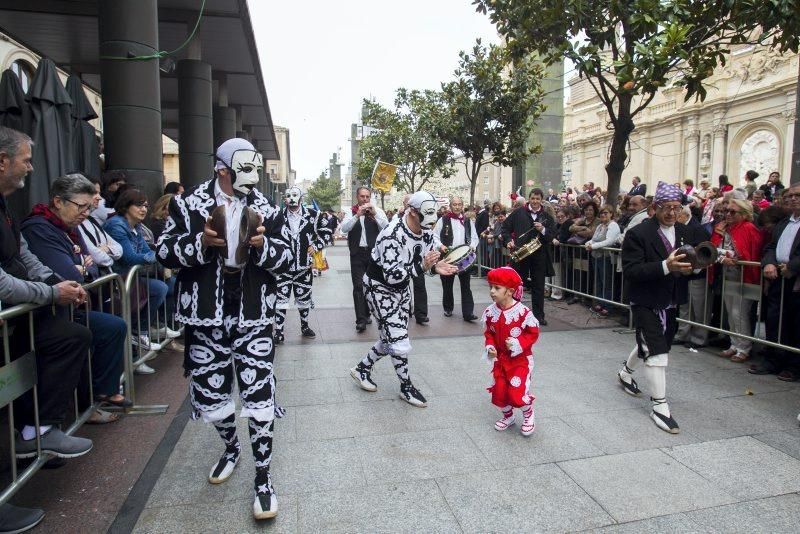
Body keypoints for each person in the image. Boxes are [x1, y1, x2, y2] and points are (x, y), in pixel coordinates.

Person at [156, 137, 290, 519]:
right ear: (222, 169)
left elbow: (289, 260)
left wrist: (265, 247)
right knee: (213, 399)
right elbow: (163, 252)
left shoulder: (267, 208)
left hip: (254, 317)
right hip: (205, 318)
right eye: (244, 170)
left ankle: (263, 478)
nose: (253, 178)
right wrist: (199, 243)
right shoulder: (188, 204)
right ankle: (231, 447)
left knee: (259, 396)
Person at [0, 126, 93, 534]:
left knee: (71, 336)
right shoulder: (32, 217)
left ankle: (38, 428)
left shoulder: (4, 207)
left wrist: (51, 286)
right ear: (2, 160)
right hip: (14, 311)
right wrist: (50, 291)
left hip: (21, 313)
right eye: (25, 159)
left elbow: (22, 257)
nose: (30, 167)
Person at [20, 173, 130, 421]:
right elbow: (70, 272)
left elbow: (90, 269)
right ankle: (45, 424)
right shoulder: (39, 227)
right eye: (81, 206)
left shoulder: (68, 228)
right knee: (81, 336)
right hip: (45, 313)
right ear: (58, 201)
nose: (85, 213)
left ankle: (97, 394)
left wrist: (80, 266)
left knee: (112, 327)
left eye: (89, 207)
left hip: (66, 308)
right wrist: (80, 266)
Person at [349, 191, 457, 407]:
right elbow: (391, 274)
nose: (432, 218)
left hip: (400, 289)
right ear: (413, 212)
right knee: (398, 338)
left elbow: (425, 259)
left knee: (392, 336)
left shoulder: (426, 231)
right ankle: (406, 386)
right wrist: (424, 266)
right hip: (379, 288)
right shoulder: (392, 233)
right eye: (428, 213)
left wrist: (435, 266)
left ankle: (362, 368)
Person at [617, 181, 695, 434]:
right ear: (655, 207)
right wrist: (665, 266)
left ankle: (626, 372)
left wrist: (707, 261)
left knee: (652, 345)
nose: (672, 213)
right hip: (644, 299)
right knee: (657, 353)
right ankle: (659, 405)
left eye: (676, 207)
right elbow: (631, 270)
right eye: (666, 207)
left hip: (671, 300)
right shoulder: (638, 233)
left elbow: (695, 262)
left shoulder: (685, 231)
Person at [104, 188, 169, 369]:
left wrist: (151, 255)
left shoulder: (136, 226)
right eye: (139, 205)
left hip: (131, 280)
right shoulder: (117, 225)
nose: (143, 209)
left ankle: (139, 332)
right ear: (126, 206)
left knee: (160, 288)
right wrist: (159, 255)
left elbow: (144, 253)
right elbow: (130, 257)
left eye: (146, 206)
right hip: (117, 283)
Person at [750, 182, 800, 381]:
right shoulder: (784, 223)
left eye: (798, 195)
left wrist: (793, 267)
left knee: (795, 323)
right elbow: (770, 247)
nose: (793, 199)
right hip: (777, 277)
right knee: (774, 319)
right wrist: (769, 264)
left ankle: (794, 365)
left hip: (796, 279)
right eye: (791, 196)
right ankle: (773, 359)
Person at [482, 266, 540, 435]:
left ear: (510, 291)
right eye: (491, 287)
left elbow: (533, 333)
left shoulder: (523, 312)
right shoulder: (490, 311)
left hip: (520, 361)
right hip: (500, 361)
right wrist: (490, 346)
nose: (492, 291)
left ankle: (528, 413)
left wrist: (517, 344)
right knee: (499, 391)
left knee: (516, 393)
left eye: (497, 288)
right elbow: (489, 333)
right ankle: (508, 416)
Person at [274, 186, 332, 343]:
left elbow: (327, 231)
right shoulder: (278, 216)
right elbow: (270, 235)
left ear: (300, 198)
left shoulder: (314, 215)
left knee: (304, 296)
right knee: (280, 298)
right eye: (288, 196)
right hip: (282, 267)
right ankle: (278, 331)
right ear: (284, 199)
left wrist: (317, 245)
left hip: (304, 266)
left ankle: (305, 326)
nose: (291, 198)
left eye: (294, 195)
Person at [708, 199, 764, 362]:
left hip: (744, 277)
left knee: (739, 313)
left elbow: (751, 253)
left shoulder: (748, 228)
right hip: (728, 276)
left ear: (744, 214)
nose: (728, 214)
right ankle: (734, 344)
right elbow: (715, 248)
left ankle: (744, 347)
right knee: (730, 312)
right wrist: (722, 257)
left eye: (733, 212)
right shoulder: (725, 228)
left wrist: (733, 257)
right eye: (727, 211)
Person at [502, 189, 555, 325]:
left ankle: (538, 316)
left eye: (538, 199)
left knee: (539, 286)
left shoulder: (547, 216)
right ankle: (514, 314)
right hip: (521, 254)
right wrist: (508, 240)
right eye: (533, 198)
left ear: (541, 199)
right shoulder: (518, 213)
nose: (535, 201)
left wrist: (542, 229)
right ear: (529, 199)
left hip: (540, 255)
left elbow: (551, 235)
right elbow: (505, 228)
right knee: (518, 285)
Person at [340, 187, 388, 332]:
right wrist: (356, 216)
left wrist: (375, 215)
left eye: (367, 196)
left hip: (373, 254)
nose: (365, 199)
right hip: (357, 254)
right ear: (357, 197)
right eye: (362, 196)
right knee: (358, 286)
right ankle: (360, 320)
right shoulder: (351, 211)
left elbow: (387, 228)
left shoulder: (377, 211)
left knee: (373, 286)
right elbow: (344, 229)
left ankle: (369, 313)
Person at [672, 205, 712, 349]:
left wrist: (693, 268)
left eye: (677, 214)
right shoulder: (680, 228)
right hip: (683, 272)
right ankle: (683, 333)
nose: (674, 216)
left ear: (685, 216)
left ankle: (699, 337)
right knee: (684, 305)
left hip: (697, 273)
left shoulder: (698, 229)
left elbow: (703, 253)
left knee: (699, 306)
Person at [434, 196, 479, 321]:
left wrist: (472, 247)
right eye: (455, 204)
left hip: (464, 258)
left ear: (462, 205)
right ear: (451, 206)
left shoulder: (468, 221)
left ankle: (468, 313)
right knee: (447, 285)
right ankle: (448, 308)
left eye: (459, 204)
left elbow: (474, 237)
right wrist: (441, 246)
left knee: (466, 285)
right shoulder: (443, 219)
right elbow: (434, 236)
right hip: (448, 257)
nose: (457, 207)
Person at [78, 176, 123, 278]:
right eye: (94, 193)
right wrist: (111, 257)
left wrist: (106, 249)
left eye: (99, 193)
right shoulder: (76, 225)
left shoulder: (92, 221)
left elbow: (120, 249)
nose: (99, 197)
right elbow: (97, 257)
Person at [586, 205, 621, 316]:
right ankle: (600, 303)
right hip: (596, 257)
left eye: (605, 213)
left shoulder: (613, 225)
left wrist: (593, 246)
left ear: (611, 214)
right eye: (601, 213)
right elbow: (593, 238)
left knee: (607, 282)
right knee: (599, 281)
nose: (603, 215)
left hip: (606, 258)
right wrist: (588, 243)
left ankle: (608, 306)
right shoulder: (600, 226)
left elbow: (609, 241)